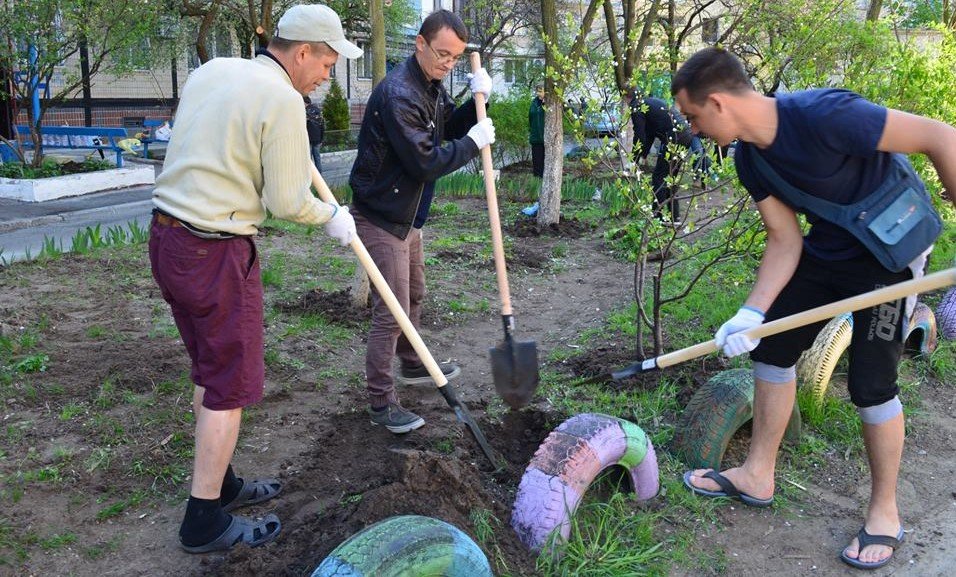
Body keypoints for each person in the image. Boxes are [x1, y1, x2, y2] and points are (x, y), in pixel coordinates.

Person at [672, 47, 956, 570]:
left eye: (692, 116)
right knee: (771, 349)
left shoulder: (826, 115)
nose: (693, 129)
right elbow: (784, 239)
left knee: (871, 385)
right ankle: (757, 475)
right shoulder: (749, 159)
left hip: (890, 255)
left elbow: (940, 136)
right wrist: (752, 313)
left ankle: (885, 512)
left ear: (717, 103)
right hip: (830, 250)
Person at [149, 4, 361, 554]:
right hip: (215, 252)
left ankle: (220, 484)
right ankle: (203, 521)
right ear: (302, 52)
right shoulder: (282, 100)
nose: (326, 77)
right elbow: (286, 200)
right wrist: (331, 216)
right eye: (327, 65)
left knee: (209, 368)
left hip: (167, 239)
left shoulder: (214, 70)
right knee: (229, 382)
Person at [349, 9, 495, 434]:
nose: (448, 63)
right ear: (420, 43)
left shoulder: (428, 84)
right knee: (391, 311)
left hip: (407, 214)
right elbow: (425, 161)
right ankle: (381, 400)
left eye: (455, 57)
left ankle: (412, 362)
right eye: (442, 54)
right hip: (382, 216)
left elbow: (447, 127)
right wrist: (472, 144)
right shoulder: (400, 94)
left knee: (413, 293)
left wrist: (478, 102)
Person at [630, 92, 695, 223]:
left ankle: (658, 217)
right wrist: (643, 155)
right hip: (686, 135)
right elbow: (649, 135)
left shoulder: (636, 106)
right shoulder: (650, 103)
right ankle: (674, 217)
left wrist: (633, 160)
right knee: (671, 178)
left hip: (674, 138)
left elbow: (640, 136)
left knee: (658, 177)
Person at [304, 95, 325, 172]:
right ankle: (319, 174)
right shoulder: (318, 110)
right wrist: (321, 138)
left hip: (308, 138)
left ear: (304, 102)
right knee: (317, 157)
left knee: (308, 159)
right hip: (317, 138)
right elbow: (322, 125)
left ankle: (310, 176)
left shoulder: (305, 112)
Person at [529, 85, 545, 178]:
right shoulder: (534, 103)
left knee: (546, 165)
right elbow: (530, 119)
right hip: (535, 138)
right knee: (537, 164)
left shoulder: (549, 103)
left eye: (540, 91)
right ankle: (537, 182)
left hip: (547, 139)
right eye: (537, 91)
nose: (538, 93)